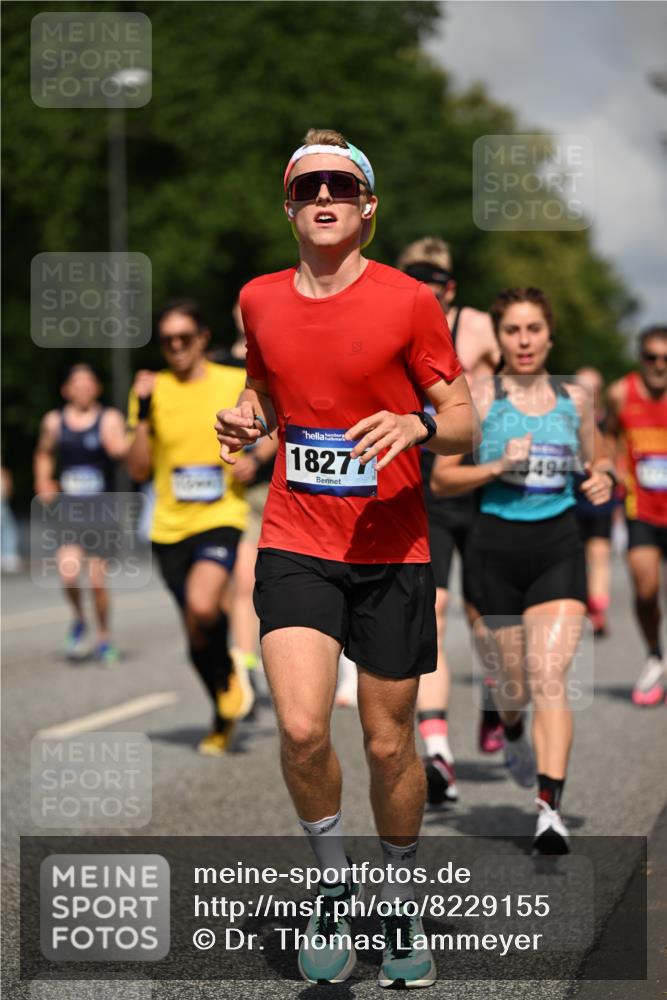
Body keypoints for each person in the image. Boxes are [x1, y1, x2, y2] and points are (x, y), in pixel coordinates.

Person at [215, 128, 475, 987]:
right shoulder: (258, 299)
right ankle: (332, 887)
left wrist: (418, 424)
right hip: (297, 538)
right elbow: (264, 388)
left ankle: (397, 898)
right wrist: (245, 419)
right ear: (289, 205)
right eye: (306, 187)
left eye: (339, 186)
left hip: (393, 544)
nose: (322, 198)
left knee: (388, 743)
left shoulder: (406, 301)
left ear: (367, 207)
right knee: (298, 726)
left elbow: (468, 419)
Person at [431, 287, 614, 853]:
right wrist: (497, 465)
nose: (525, 340)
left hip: (557, 546)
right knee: (512, 687)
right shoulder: (480, 397)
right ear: (500, 338)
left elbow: (599, 453)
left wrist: (605, 474)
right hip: (494, 551)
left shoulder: (575, 399)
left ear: (550, 335)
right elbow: (441, 480)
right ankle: (510, 730)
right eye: (513, 330)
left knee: (549, 676)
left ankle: (548, 809)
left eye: (534, 328)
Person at [397, 238, 502, 807]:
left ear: (451, 285)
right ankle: (438, 753)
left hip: (479, 488)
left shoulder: (481, 328)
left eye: (435, 277)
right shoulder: (397, 320)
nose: (427, 285)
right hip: (426, 490)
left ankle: (495, 696)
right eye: (415, 275)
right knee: (430, 611)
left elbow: (518, 387)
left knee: (483, 619)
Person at [126, 299, 254, 755]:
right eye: (167, 340)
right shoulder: (151, 389)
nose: (176, 347)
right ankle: (223, 706)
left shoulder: (233, 380)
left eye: (184, 337)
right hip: (167, 526)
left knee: (204, 605)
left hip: (221, 514)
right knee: (195, 631)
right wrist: (141, 412)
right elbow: (138, 469)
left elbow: (273, 428)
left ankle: (231, 675)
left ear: (202, 338)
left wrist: (255, 459)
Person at [33, 364, 127, 663]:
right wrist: (43, 480)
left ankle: (103, 636)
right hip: (69, 513)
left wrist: (121, 446)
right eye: (77, 383)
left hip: (102, 512)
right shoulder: (54, 421)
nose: (83, 388)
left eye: (89, 382)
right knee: (68, 573)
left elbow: (121, 451)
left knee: (97, 582)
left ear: (97, 388)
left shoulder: (109, 418)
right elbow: (43, 453)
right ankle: (79, 619)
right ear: (66, 389)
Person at [209, 300, 278, 694]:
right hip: (234, 490)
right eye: (236, 306)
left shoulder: (274, 354)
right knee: (242, 581)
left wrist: (258, 457)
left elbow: (285, 416)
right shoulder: (217, 361)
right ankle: (245, 664)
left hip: (274, 483)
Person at [606, 325, 667, 705]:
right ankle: (654, 655)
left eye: (666, 359)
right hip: (641, 509)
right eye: (652, 357)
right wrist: (614, 466)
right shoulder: (619, 393)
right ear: (639, 357)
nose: (659, 365)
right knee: (646, 590)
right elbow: (610, 435)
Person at [573, 367, 616, 637]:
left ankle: (598, 606)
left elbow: (615, 449)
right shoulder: (563, 416)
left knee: (599, 553)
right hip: (571, 493)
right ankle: (582, 603)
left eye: (593, 389)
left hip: (599, 494)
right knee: (577, 554)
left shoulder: (608, 419)